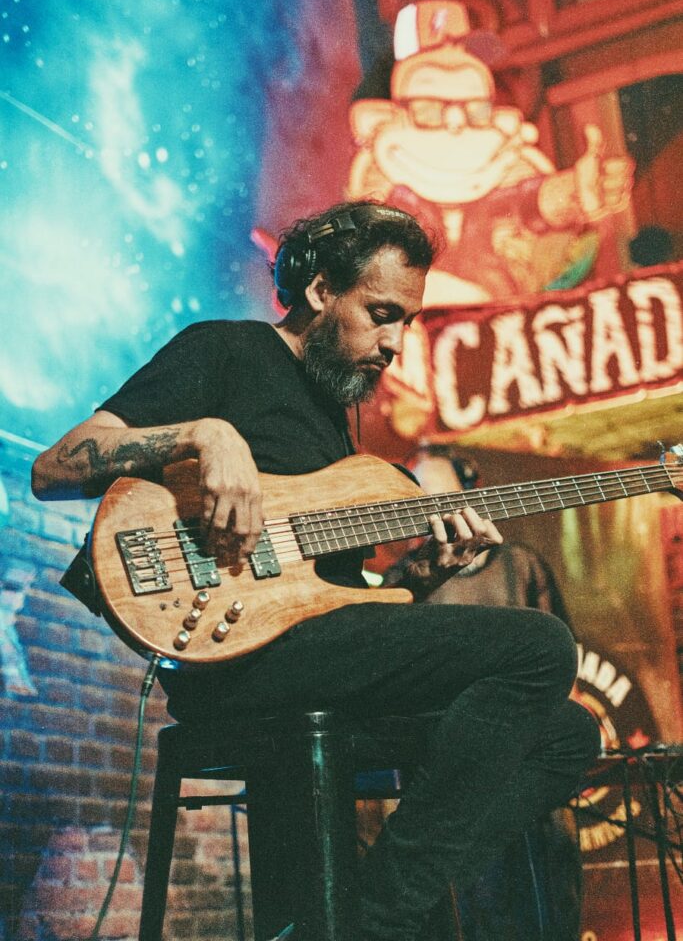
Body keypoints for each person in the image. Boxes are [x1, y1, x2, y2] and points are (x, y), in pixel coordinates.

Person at [32, 200, 601, 941]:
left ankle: (355, 910)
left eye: (407, 321)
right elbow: (54, 466)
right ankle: (379, 921)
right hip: (233, 659)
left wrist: (426, 572)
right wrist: (206, 434)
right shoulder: (226, 350)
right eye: (381, 314)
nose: (395, 343)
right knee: (540, 647)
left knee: (567, 734)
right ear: (320, 288)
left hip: (311, 653)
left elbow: (336, 599)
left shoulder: (336, 423)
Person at [383, 444, 585, 941]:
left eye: (442, 494)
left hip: (523, 751)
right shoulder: (400, 579)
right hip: (448, 756)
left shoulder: (521, 565)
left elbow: (560, 659)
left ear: (468, 493)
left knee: (542, 882)